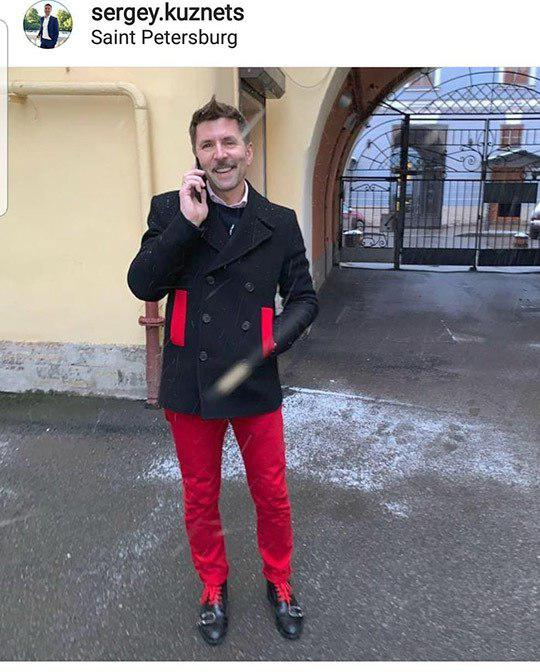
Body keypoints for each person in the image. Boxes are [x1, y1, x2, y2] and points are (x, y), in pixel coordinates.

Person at [127, 96, 319, 646]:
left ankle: (279, 580)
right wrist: (187, 226)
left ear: (247, 152)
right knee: (200, 493)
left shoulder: (278, 222)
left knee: (271, 492)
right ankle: (213, 584)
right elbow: (143, 283)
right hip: (191, 380)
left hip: (253, 379)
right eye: (207, 145)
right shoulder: (171, 210)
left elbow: (304, 299)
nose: (220, 154)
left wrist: (270, 343)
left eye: (229, 142)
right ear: (197, 155)